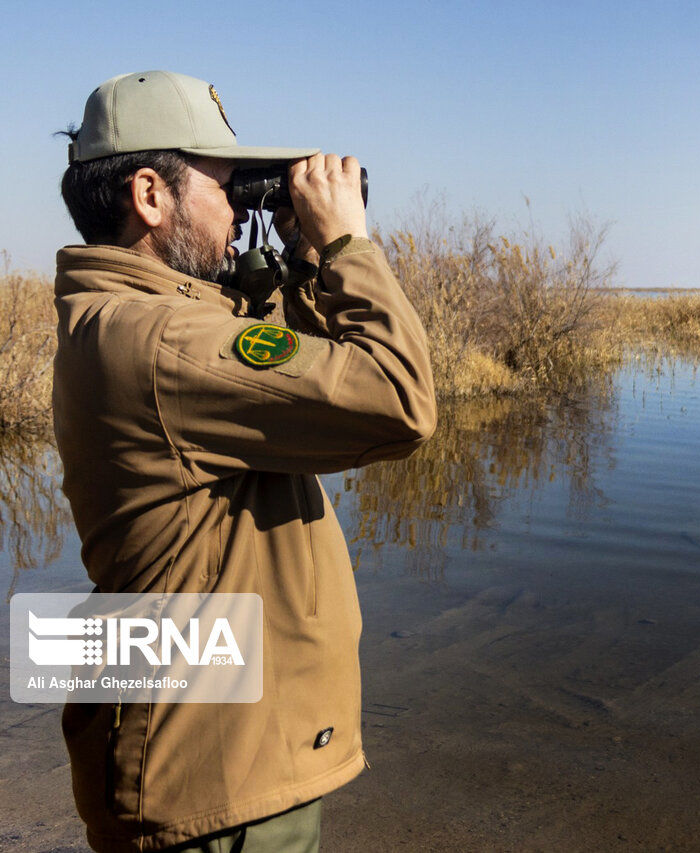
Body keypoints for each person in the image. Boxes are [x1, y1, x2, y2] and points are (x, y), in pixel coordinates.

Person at [52, 70, 436, 852]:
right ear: (151, 196)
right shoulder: (160, 341)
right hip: (217, 789)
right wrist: (343, 245)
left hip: (206, 752)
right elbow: (398, 398)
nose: (238, 210)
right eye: (227, 186)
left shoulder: (119, 319)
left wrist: (291, 259)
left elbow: (288, 369)